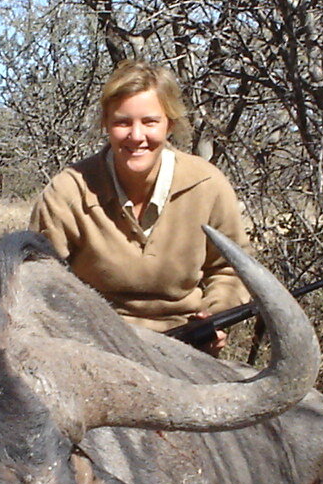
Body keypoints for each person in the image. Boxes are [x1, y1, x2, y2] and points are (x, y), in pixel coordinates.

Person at [30, 61, 250, 353]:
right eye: (122, 122)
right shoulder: (68, 190)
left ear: (169, 124)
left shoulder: (207, 185)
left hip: (188, 350)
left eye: (150, 122)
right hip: (94, 348)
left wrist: (215, 317)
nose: (136, 136)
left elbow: (231, 270)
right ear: (105, 124)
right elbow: (36, 281)